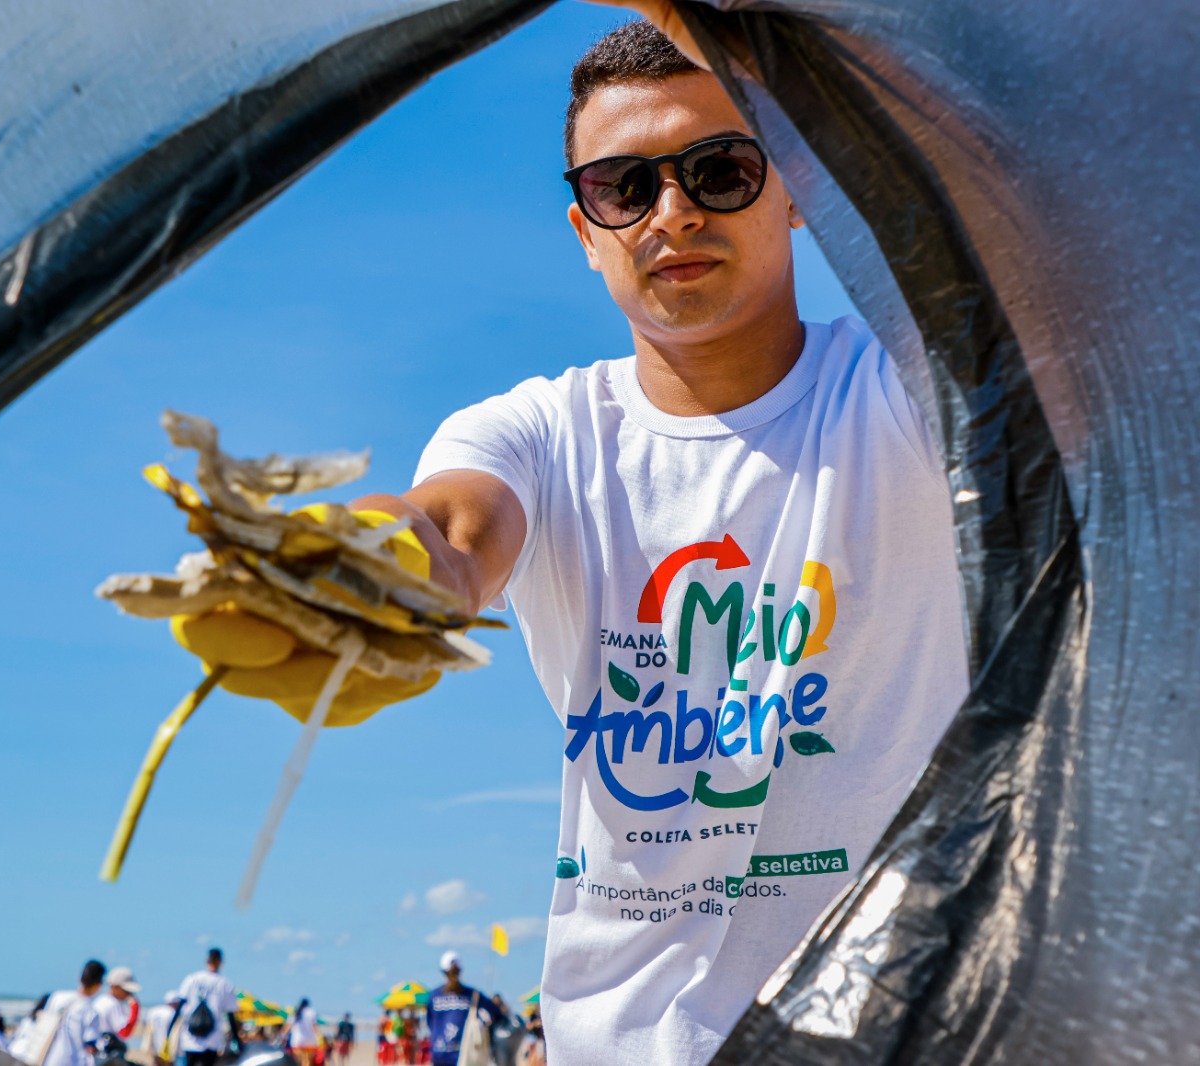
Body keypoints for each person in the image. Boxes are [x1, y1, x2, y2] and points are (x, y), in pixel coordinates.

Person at [166, 11, 969, 1064]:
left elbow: (1016, 213)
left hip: (905, 1029)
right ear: (585, 233)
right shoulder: (539, 431)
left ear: (796, 192)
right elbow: (455, 522)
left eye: (718, 170)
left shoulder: (915, 387)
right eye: (623, 187)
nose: (670, 213)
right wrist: (372, 567)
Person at [426, 953, 503, 1066]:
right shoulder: (436, 996)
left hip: (455, 1054)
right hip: (451, 1055)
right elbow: (430, 1022)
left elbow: (496, 1013)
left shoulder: (471, 995)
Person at [175, 947, 239, 1066]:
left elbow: (180, 1006)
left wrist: (170, 1032)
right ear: (220, 962)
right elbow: (230, 1015)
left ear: (206, 960)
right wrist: (236, 1040)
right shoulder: (225, 983)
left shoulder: (192, 979)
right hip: (212, 1038)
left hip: (190, 1037)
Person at [40, 959, 107, 1066]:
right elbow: (90, 1045)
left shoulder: (56, 997)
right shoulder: (91, 1011)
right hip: (72, 1061)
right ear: (98, 985)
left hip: (46, 1058)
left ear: (80, 978)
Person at [88, 965, 141, 1057]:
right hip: (106, 1054)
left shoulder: (98, 1001)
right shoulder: (112, 1004)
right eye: (126, 990)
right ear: (114, 987)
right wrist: (135, 1008)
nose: (129, 994)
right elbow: (125, 1032)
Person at [143, 990, 184, 1066]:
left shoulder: (153, 1011)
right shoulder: (173, 1013)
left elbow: (146, 1027)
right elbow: (176, 1033)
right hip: (168, 1049)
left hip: (154, 1047)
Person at [285, 997, 319, 1066]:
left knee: (298, 1062)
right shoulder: (311, 1012)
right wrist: (319, 1036)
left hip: (297, 1041)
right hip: (310, 1041)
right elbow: (314, 1026)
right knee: (308, 1062)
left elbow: (288, 1026)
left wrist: (283, 1035)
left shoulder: (295, 1012)